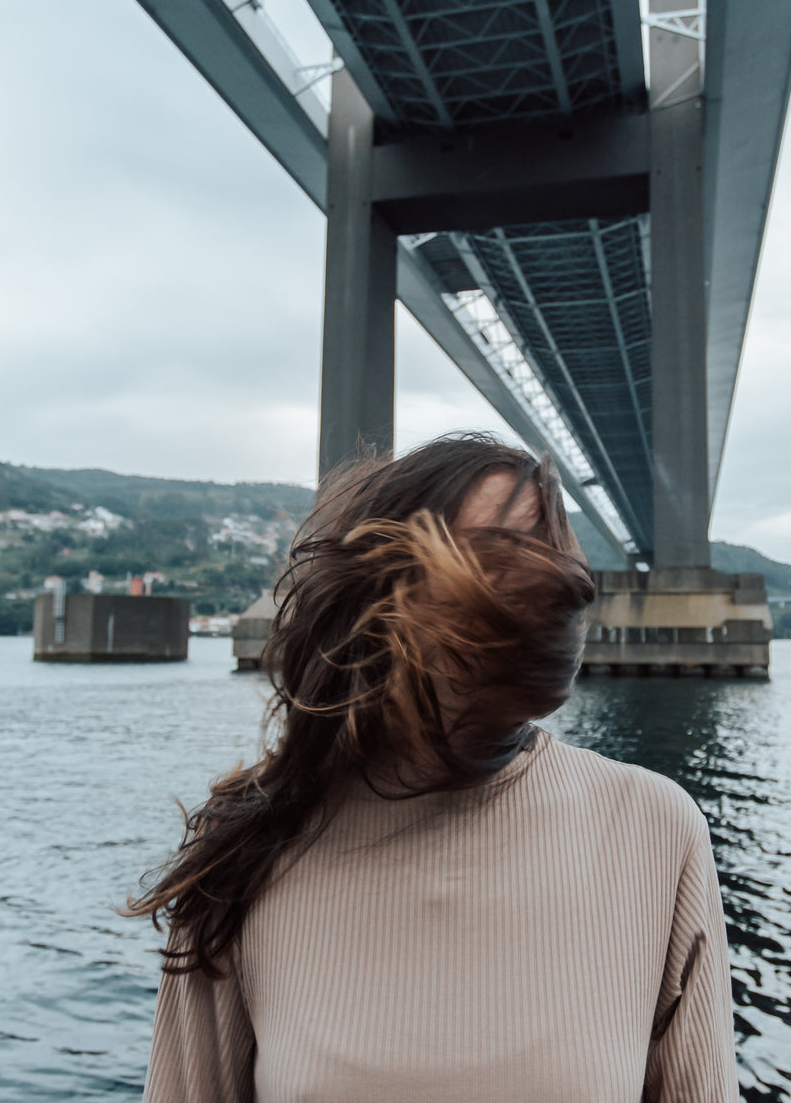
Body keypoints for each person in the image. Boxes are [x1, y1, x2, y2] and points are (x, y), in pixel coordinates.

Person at [128, 434, 739, 1102]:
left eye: (543, 561)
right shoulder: (245, 851)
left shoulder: (652, 829)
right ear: (376, 603)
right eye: (485, 564)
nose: (530, 595)